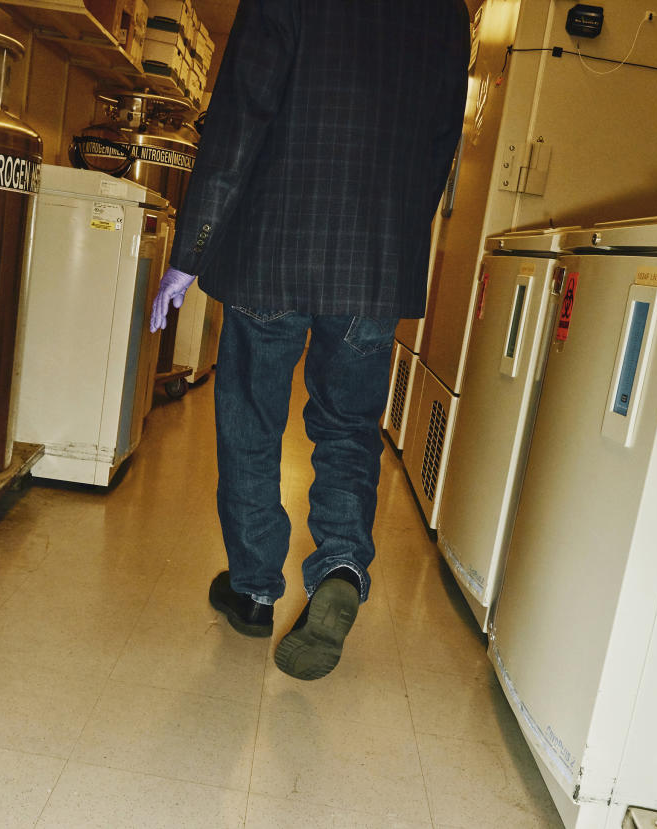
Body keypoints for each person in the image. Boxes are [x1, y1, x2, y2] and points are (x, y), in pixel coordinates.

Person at [149, 0, 470, 680]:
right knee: (349, 425)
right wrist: (394, 239)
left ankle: (255, 587)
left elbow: (241, 118)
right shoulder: (445, 13)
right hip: (374, 262)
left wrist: (192, 247)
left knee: (251, 421)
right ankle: (343, 562)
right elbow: (441, 140)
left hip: (272, 246)